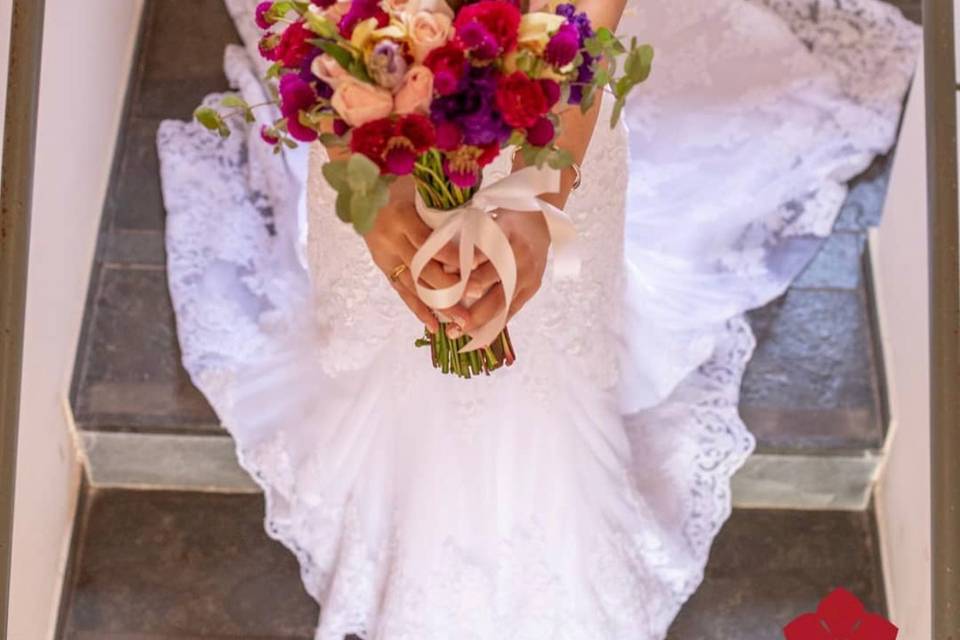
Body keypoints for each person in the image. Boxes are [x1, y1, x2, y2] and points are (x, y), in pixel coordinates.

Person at [157, 0, 920, 637]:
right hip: (365, 94)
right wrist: (366, 172)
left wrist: (540, 192)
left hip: (548, 101)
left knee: (539, 326)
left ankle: (556, 534)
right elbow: (314, 31)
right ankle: (402, 509)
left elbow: (582, 35)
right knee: (396, 320)